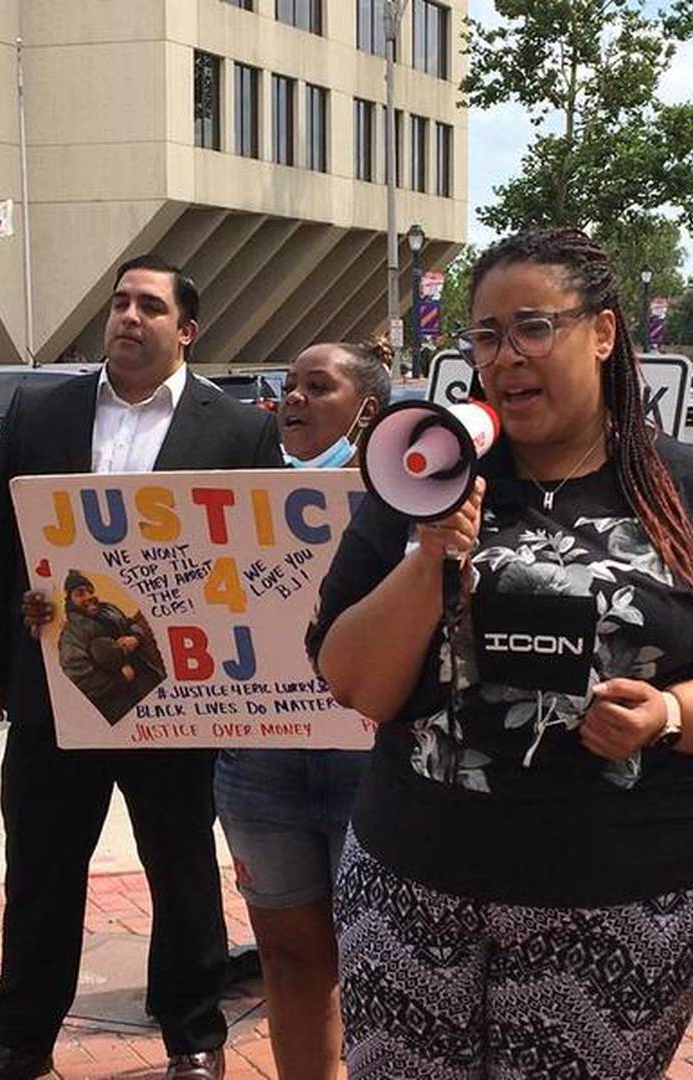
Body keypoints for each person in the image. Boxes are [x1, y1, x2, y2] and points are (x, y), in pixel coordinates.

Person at [309, 229, 693, 1078]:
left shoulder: (688, 489)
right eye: (484, 335)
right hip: (412, 882)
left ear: (604, 333)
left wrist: (668, 716)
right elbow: (352, 681)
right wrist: (432, 552)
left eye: (533, 328)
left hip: (622, 893)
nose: (505, 357)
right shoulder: (424, 472)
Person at [0, 255, 282, 1080]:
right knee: (40, 869)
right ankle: (19, 1040)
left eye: (150, 306)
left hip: (181, 698)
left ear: (185, 330)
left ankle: (194, 1038)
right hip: (56, 686)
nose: (129, 316)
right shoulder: (42, 412)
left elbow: (263, 562)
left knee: (182, 872)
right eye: (121, 302)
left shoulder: (238, 430)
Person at [213, 340, 391, 1079]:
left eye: (318, 387)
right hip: (259, 767)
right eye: (288, 386)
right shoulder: (225, 501)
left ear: (367, 411)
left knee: (383, 964)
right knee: (289, 960)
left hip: (373, 764)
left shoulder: (414, 503)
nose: (294, 399)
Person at [56, 569, 166, 724]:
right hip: (117, 703)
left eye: (90, 591)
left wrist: (134, 638)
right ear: (69, 600)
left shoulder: (109, 609)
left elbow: (130, 624)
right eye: (80, 594)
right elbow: (78, 676)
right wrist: (120, 679)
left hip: (146, 679)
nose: (88, 597)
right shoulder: (71, 634)